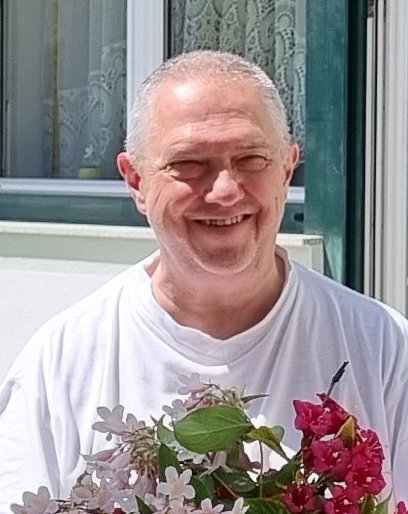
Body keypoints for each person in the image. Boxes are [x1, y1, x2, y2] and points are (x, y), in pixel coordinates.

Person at [1, 50, 408, 511]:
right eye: (188, 163)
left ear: (286, 169)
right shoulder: (61, 364)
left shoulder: (382, 347)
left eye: (251, 158)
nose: (225, 190)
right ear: (136, 181)